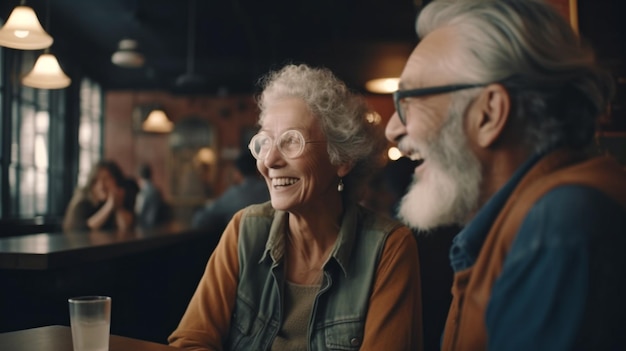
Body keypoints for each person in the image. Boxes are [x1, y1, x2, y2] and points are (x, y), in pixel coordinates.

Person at [385, 0, 626, 350]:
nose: (393, 129)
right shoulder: (526, 222)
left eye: (407, 100)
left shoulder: (560, 225)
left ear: (489, 113)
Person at [169, 64, 423, 350]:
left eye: (291, 141)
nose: (269, 161)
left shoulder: (389, 247)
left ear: (342, 159)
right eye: (264, 143)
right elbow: (191, 341)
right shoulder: (246, 229)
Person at [191, 150, 270, 232]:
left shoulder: (236, 193)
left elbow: (202, 218)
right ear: (258, 169)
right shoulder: (269, 190)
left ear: (237, 172)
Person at [63, 160, 135, 232]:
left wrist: (117, 204)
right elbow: (84, 230)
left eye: (107, 179)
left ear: (116, 181)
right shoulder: (82, 202)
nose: (101, 186)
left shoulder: (122, 198)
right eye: (96, 180)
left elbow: (125, 227)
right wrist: (109, 205)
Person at [135, 163, 168, 228]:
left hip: (146, 229)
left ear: (139, 178)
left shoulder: (142, 194)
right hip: (160, 228)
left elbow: (138, 214)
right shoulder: (157, 191)